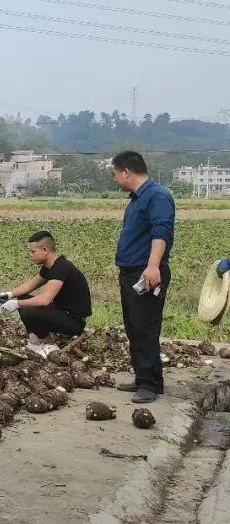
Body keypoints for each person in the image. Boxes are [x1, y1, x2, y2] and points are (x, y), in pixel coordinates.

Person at [111, 150, 176, 404]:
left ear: (126, 171)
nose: (116, 179)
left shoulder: (157, 196)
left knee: (145, 328)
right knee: (134, 327)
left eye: (116, 173)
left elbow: (161, 232)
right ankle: (144, 378)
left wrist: (153, 266)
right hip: (131, 273)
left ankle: (149, 384)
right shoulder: (138, 198)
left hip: (145, 272)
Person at [0, 231, 92, 358]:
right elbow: (31, 284)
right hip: (61, 313)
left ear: (45, 250)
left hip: (74, 322)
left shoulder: (61, 268)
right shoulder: (50, 267)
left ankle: (47, 345)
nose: (31, 255)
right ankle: (37, 342)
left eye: (33, 252)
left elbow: (45, 300)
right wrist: (9, 294)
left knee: (27, 308)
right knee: (24, 299)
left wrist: (16, 303)